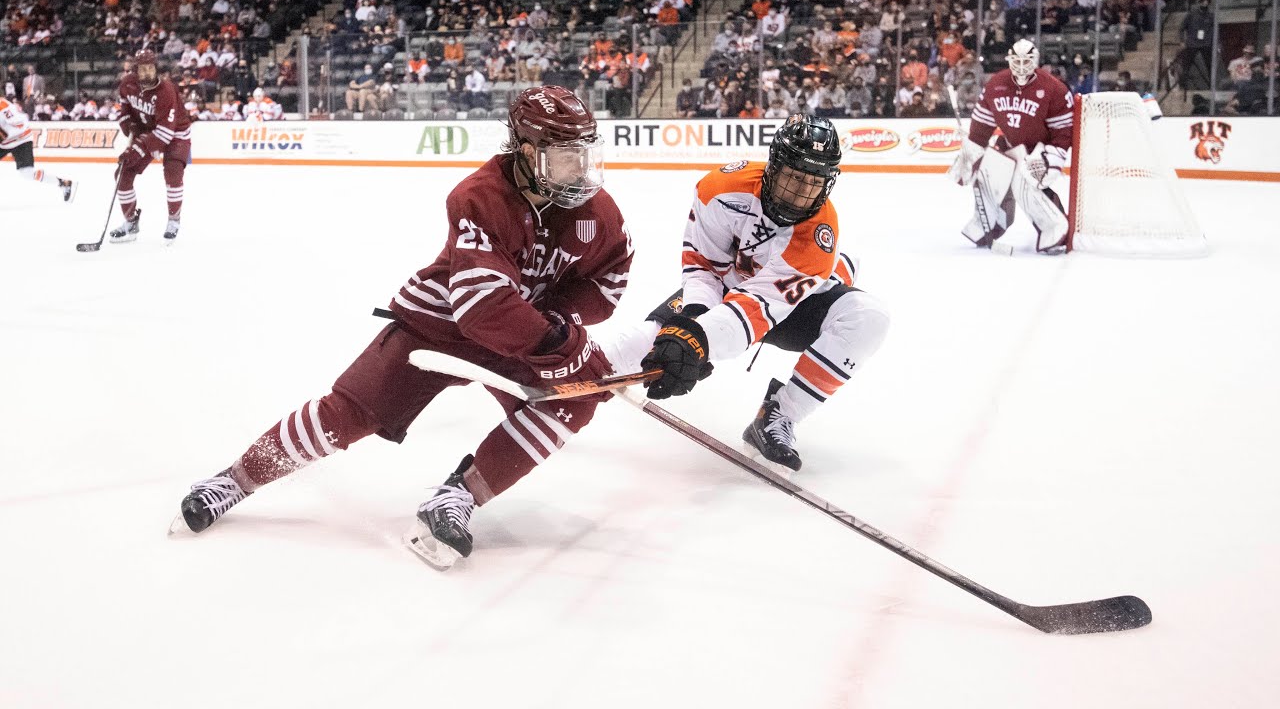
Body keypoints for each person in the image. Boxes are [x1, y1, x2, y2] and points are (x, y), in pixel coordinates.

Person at [174, 86, 633, 571]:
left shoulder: (597, 213)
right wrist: (562, 346)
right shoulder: (479, 197)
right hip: (439, 325)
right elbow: (483, 307)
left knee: (572, 399)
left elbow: (608, 280)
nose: (581, 169)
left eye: (585, 154)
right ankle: (234, 480)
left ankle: (458, 497)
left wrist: (561, 320)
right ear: (527, 151)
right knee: (349, 413)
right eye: (566, 157)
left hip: (522, 330)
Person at [603, 114, 889, 471]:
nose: (801, 192)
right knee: (645, 341)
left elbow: (759, 307)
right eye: (794, 176)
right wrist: (693, 319)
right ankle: (579, 370)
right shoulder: (720, 189)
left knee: (868, 317)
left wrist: (700, 340)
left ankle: (780, 414)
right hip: (728, 287)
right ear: (774, 166)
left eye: (813, 182)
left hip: (795, 308)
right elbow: (704, 267)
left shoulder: (818, 239)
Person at [946, 39, 1074, 253]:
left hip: (1038, 151)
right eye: (1017, 61)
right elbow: (982, 126)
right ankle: (987, 226)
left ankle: (1055, 229)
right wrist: (971, 151)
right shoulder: (996, 84)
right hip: (1009, 145)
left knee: (1025, 179)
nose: (1022, 67)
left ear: (1035, 61)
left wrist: (1053, 157)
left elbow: (1062, 131)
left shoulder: (1053, 88)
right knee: (987, 173)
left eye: (1027, 61)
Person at [111, 49, 192, 245]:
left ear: (156, 68)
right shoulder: (127, 83)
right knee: (122, 174)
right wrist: (128, 124)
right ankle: (130, 223)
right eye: (142, 69)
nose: (147, 72)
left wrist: (137, 149)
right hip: (149, 130)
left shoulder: (166, 90)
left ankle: (173, 220)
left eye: (150, 68)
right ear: (136, 69)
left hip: (176, 133)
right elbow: (124, 109)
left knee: (173, 172)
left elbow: (165, 133)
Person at [0, 96, 77, 202]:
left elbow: (20, 123)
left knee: (27, 174)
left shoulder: (3, 106)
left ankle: (63, 183)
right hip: (5, 143)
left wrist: (3, 134)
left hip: (21, 140)